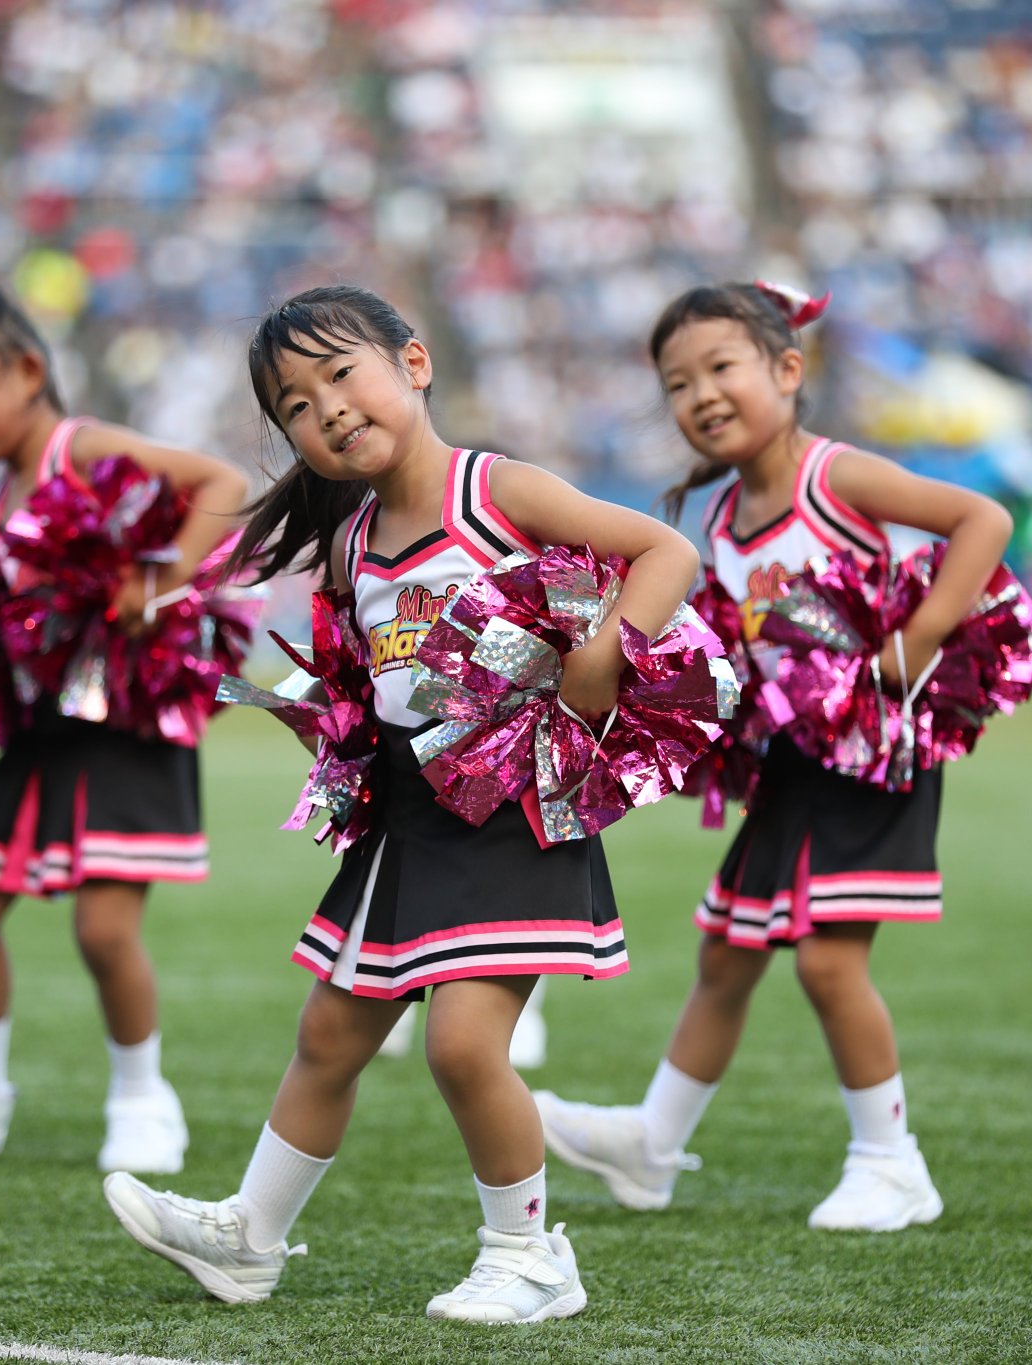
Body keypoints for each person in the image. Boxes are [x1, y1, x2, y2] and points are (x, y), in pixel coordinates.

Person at [102, 284, 699, 1323]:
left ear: (412, 365)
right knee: (328, 1036)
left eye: (341, 373)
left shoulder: (496, 489)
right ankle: (250, 1236)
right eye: (293, 404)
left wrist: (602, 655)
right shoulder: (348, 543)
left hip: (510, 809)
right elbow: (369, 682)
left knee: (463, 1045)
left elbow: (665, 553)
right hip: (404, 828)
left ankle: (530, 1258)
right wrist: (321, 727)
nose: (325, 408)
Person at [533, 281, 1011, 1230]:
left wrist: (914, 643)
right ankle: (653, 1144)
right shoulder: (708, 521)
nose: (702, 394)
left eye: (722, 367)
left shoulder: (834, 477)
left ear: (788, 371)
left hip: (871, 753)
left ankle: (892, 1160)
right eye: (678, 382)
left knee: (829, 962)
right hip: (792, 764)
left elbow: (981, 521)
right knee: (727, 952)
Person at [0, 262, 247, 1174]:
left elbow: (222, 483)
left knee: (104, 930)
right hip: (42, 734)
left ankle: (145, 1094)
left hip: (122, 726)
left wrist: (161, 578)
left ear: (28, 369)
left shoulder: (80, 447)